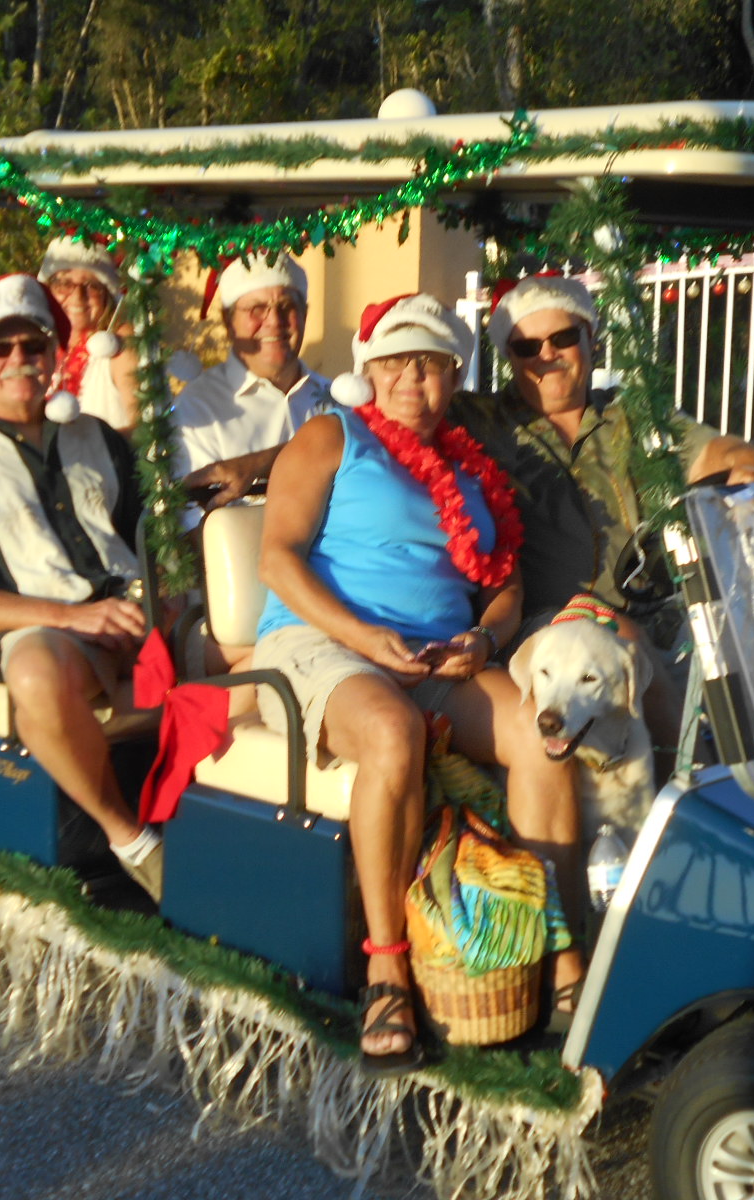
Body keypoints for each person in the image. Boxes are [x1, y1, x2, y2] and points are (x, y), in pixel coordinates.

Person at [255, 292, 584, 1075]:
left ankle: (561, 953)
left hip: (440, 653)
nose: (414, 379)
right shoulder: (332, 437)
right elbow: (277, 557)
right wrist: (365, 636)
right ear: (369, 371)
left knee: (548, 736)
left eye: (434, 364)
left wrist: (488, 636)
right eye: (397, 361)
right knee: (393, 733)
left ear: (455, 375)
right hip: (327, 643)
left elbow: (502, 582)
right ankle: (387, 968)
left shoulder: (473, 465)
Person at [0, 274, 163, 900]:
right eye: (0, 349)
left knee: (267, 643)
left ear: (54, 353)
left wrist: (167, 595)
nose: (20, 359)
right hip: (48, 633)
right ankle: (131, 841)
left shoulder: (95, 435)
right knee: (37, 674)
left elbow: (147, 537)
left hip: (135, 613)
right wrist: (76, 617)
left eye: (34, 345)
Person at [455, 274, 754, 738]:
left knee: (753, 646)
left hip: (654, 604)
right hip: (547, 624)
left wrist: (747, 469)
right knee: (627, 642)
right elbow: (405, 397)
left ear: (591, 339)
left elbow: (717, 451)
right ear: (509, 356)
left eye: (563, 338)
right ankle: (674, 796)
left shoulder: (633, 417)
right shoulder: (480, 421)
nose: (547, 355)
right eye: (528, 346)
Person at [171, 255, 332, 527]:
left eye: (286, 306)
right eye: (256, 308)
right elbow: (194, 532)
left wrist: (257, 464)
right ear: (228, 321)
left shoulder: (336, 398)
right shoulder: (198, 409)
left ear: (305, 314)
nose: (274, 321)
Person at [38, 236, 139, 433]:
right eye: (65, 284)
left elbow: (147, 429)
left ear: (107, 295)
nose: (77, 297)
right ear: (48, 290)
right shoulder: (40, 348)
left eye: (92, 286)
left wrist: (89, 450)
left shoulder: (120, 344)